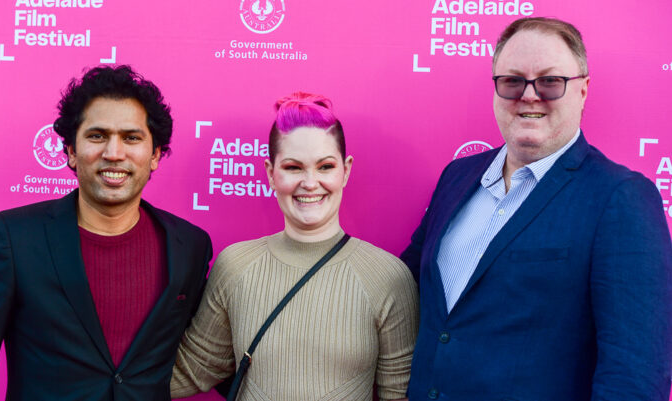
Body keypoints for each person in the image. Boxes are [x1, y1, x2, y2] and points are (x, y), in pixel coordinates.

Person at [401, 17, 672, 401]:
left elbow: (635, 375)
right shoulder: (456, 177)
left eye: (550, 81)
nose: (529, 95)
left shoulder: (621, 198)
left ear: (583, 90)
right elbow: (404, 285)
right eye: (513, 81)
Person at [0, 65, 212, 401]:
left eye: (131, 138)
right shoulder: (14, 239)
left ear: (155, 155)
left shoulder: (189, 246)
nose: (114, 153)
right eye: (97, 136)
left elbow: (214, 352)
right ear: (71, 152)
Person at [170, 92, 419, 401]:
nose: (310, 183)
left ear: (346, 170)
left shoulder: (388, 277)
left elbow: (399, 394)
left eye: (325, 166)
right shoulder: (235, 265)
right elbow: (194, 369)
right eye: (293, 167)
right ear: (270, 174)